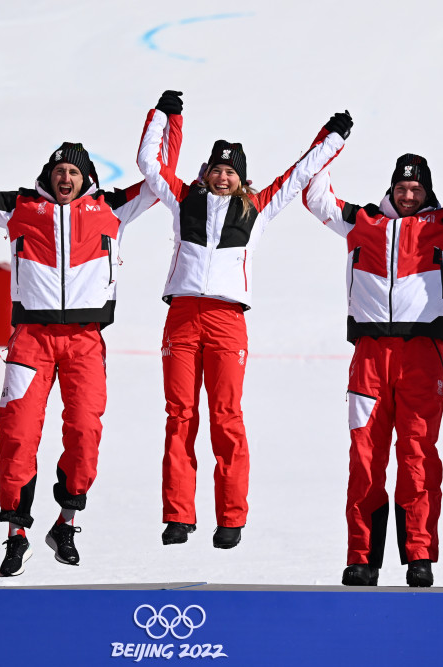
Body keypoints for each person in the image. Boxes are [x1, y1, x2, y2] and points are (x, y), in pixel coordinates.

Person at [0, 109, 181, 577]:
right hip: (30, 340)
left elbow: (159, 180)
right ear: (48, 175)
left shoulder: (110, 206)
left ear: (86, 176)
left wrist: (168, 119)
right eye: (58, 171)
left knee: (86, 432)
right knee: (18, 434)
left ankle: (65, 523)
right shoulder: (22, 206)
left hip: (86, 342)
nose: (64, 177)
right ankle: (16, 534)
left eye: (72, 171)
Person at [138, 91, 349, 549]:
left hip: (227, 320)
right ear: (205, 173)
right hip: (182, 317)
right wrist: (166, 116)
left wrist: (332, 137)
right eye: (216, 169)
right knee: (180, 415)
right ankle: (179, 516)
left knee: (226, 414)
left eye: (230, 171)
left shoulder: (255, 209)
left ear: (241, 179)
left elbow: (298, 176)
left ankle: (230, 518)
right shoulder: (182, 200)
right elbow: (148, 163)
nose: (222, 176)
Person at [303, 116, 443, 587]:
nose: (408, 195)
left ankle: (419, 555)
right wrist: (332, 140)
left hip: (422, 355)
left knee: (417, 454)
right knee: (364, 457)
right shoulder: (362, 222)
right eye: (402, 187)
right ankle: (362, 557)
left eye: (416, 188)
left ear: (427, 191)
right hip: (368, 354)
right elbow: (312, 194)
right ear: (392, 188)